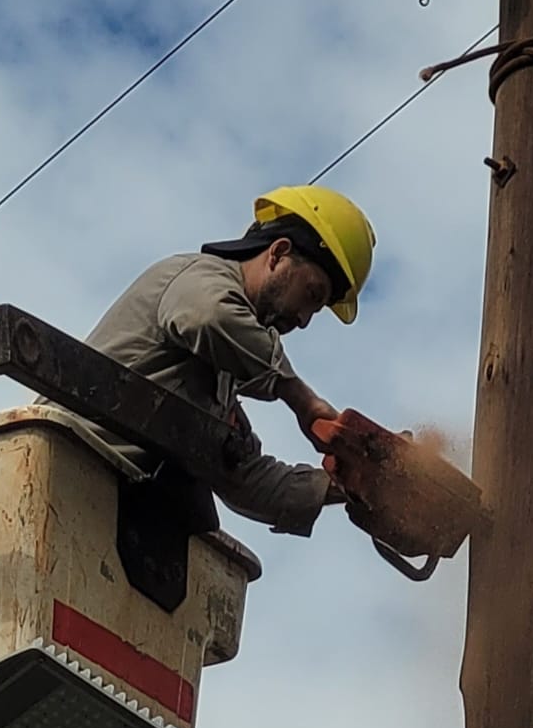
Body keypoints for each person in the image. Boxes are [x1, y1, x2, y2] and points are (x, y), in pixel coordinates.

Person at [80, 184, 376, 535]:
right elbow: (206, 316)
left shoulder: (217, 383)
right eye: (312, 295)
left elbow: (243, 476)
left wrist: (353, 484)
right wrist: (302, 400)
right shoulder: (196, 275)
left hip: (107, 515)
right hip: (63, 469)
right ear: (278, 254)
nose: (304, 320)